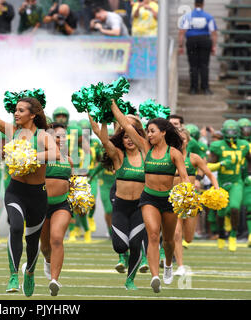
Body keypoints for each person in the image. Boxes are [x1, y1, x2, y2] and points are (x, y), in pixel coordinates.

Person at [0, 91, 60, 297]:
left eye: (21, 110)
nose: (16, 113)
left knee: (33, 241)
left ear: (33, 114)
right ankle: (13, 274)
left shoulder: (43, 135)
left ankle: (31, 272)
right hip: (16, 191)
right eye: (15, 110)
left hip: (37, 194)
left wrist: (30, 155)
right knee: (16, 227)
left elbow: (56, 154)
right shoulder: (12, 131)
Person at [111, 100, 191, 293]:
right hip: (149, 198)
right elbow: (127, 125)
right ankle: (155, 276)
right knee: (153, 234)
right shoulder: (145, 148)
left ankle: (169, 265)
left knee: (169, 240)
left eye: (152, 131)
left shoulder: (174, 153)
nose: (149, 134)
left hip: (169, 199)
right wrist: (113, 104)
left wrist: (187, 195)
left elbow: (184, 177)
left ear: (163, 132)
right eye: (147, 131)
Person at [90, 114, 149, 290]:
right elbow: (102, 137)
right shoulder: (117, 156)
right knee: (119, 246)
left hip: (140, 207)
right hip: (121, 207)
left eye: (132, 137)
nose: (129, 140)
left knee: (136, 244)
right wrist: (99, 116)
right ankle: (122, 257)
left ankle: (130, 280)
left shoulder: (146, 154)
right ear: (121, 140)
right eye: (125, 137)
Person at [173, 127, 218, 276]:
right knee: (176, 233)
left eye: (183, 139)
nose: (181, 141)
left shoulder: (193, 158)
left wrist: (216, 188)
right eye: (178, 139)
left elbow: (210, 174)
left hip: (190, 200)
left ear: (187, 141)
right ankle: (180, 266)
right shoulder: (169, 157)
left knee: (189, 237)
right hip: (173, 199)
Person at [40, 122, 73, 296]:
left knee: (57, 238)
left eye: (63, 136)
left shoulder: (69, 160)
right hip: (41, 205)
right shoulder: (42, 158)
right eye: (56, 136)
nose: (60, 139)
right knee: (45, 247)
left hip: (62, 205)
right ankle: (47, 260)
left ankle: (54, 279)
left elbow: (72, 184)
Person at [208, 120, 250, 252]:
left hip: (237, 182)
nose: (231, 135)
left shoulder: (244, 145)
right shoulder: (217, 145)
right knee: (220, 213)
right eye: (229, 132)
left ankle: (232, 235)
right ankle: (221, 234)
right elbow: (208, 166)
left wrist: (247, 174)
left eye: (234, 132)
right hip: (221, 183)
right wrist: (221, 164)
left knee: (234, 208)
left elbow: (250, 160)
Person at [178, 0, 218, 95]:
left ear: (194, 4)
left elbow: (181, 32)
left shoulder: (188, 16)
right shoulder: (209, 17)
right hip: (205, 41)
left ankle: (193, 89)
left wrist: (180, 45)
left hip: (192, 41)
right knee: (204, 65)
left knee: (193, 66)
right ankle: (205, 88)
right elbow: (214, 33)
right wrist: (214, 46)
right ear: (203, 4)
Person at [237, 118, 251, 247]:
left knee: (247, 207)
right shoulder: (235, 143)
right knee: (238, 207)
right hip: (236, 177)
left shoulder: (247, 144)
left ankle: (248, 233)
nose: (246, 131)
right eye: (243, 129)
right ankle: (240, 232)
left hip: (247, 176)